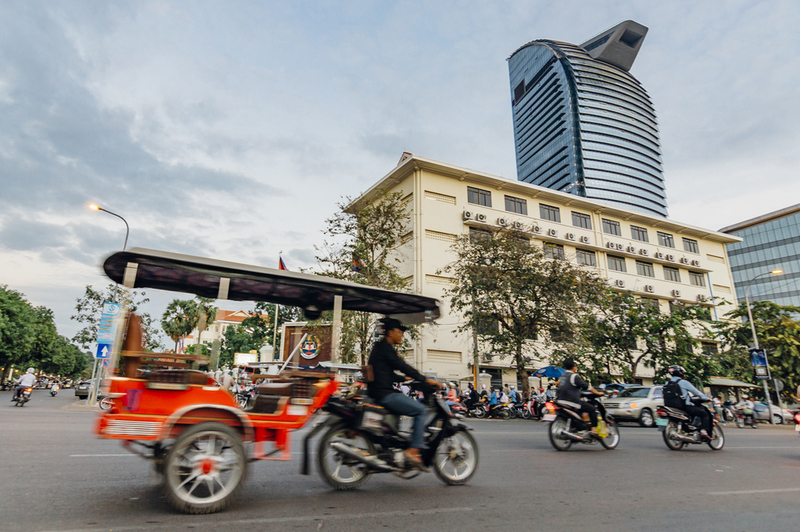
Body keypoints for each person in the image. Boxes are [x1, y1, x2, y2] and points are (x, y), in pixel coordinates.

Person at [366, 317, 441, 470]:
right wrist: (425, 380)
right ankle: (413, 450)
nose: (401, 335)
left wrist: (404, 378)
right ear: (391, 332)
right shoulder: (386, 348)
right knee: (421, 410)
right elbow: (402, 365)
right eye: (399, 332)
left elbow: (385, 373)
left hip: (376, 391)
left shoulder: (379, 347)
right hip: (385, 394)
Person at [555, 359, 604, 435]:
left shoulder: (562, 377)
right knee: (592, 408)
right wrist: (597, 393)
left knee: (581, 410)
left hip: (560, 401)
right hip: (571, 402)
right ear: (574, 367)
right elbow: (587, 387)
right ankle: (594, 429)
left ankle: (580, 428)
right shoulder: (574, 376)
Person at [666, 365, 712, 439]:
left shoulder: (667, 383)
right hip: (684, 406)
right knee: (704, 414)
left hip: (671, 407)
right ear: (681, 373)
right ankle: (703, 431)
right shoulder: (684, 382)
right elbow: (696, 392)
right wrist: (706, 398)